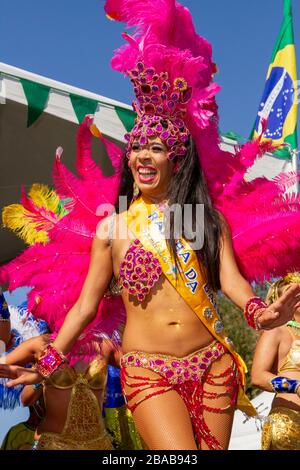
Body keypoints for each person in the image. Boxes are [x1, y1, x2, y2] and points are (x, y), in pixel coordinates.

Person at [0, 0, 300, 450]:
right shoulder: (113, 229)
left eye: (156, 148)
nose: (143, 155)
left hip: (213, 362)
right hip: (148, 367)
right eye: (137, 147)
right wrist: (49, 361)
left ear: (175, 159)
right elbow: (85, 307)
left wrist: (259, 313)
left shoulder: (207, 220)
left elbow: (234, 283)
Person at [251, 273, 300, 450]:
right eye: (293, 294)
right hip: (289, 423)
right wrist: (295, 386)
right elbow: (258, 376)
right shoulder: (277, 331)